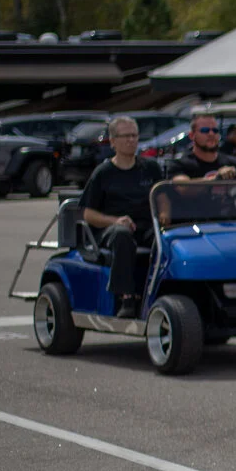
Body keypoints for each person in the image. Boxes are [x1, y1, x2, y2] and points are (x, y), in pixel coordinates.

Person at [78, 115, 165, 319]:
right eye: (126, 136)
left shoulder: (150, 168)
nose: (131, 140)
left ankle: (162, 289)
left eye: (134, 135)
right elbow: (87, 213)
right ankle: (126, 298)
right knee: (122, 234)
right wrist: (115, 221)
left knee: (166, 238)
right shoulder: (103, 173)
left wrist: (164, 213)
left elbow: (164, 197)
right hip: (111, 229)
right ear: (113, 141)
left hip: (145, 226)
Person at [167, 114, 236, 181]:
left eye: (215, 130)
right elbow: (182, 186)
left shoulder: (233, 163)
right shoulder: (180, 165)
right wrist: (216, 178)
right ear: (192, 135)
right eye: (205, 130)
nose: (211, 134)